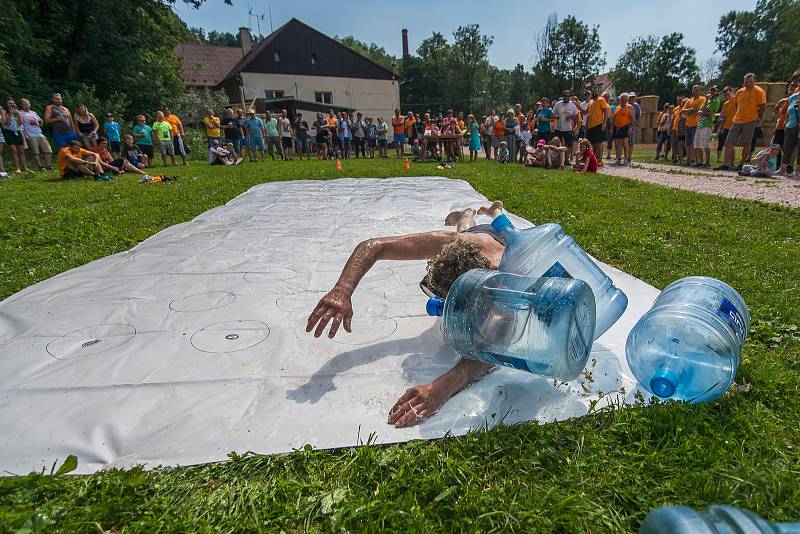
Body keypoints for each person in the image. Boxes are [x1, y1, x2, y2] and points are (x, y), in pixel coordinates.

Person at [306, 201, 508, 428]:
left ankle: (489, 212)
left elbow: (493, 349)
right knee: (465, 229)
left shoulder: (509, 277)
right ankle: (467, 214)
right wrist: (342, 290)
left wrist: (442, 388)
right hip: (472, 239)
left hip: (499, 244)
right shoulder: (451, 243)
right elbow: (373, 246)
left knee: (486, 231)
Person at [720, 73, 767, 171]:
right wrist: (737, 114)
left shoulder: (759, 92)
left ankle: (741, 164)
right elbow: (736, 105)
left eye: (750, 82)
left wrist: (759, 118)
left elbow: (762, 107)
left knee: (746, 143)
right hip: (737, 120)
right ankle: (726, 164)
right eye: (746, 82)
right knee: (729, 142)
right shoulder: (739, 92)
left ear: (754, 81)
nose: (748, 84)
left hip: (750, 120)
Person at [774, 84, 800, 178]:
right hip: (790, 126)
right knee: (787, 148)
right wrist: (786, 123)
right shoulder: (793, 97)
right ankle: (782, 169)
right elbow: (788, 111)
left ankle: (798, 171)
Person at [19, 98, 52, 171]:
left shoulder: (33, 112)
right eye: (25, 104)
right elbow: (20, 125)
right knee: (35, 152)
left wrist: (39, 122)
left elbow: (41, 121)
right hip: (30, 135)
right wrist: (25, 135)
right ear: (21, 105)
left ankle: (48, 166)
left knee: (48, 150)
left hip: (40, 133)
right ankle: (40, 167)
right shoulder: (20, 113)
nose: (27, 106)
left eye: (28, 104)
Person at [695, 86, 721, 168]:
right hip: (700, 123)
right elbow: (699, 112)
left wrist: (704, 111)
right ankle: (701, 163)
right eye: (711, 90)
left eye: (714, 91)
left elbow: (707, 111)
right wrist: (706, 101)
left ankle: (707, 163)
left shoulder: (716, 101)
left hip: (707, 124)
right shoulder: (707, 100)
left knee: (705, 144)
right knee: (697, 144)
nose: (712, 92)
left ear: (717, 92)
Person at [681, 85, 706, 167]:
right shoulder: (689, 100)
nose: (694, 91)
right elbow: (683, 111)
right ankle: (688, 161)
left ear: (700, 91)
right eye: (693, 89)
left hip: (697, 124)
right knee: (687, 144)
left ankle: (696, 161)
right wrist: (691, 110)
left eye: (696, 90)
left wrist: (690, 111)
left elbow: (699, 109)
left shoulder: (702, 99)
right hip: (688, 125)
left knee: (695, 144)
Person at [2, 98, 29, 173]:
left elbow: (20, 123)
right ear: (6, 104)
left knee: (21, 151)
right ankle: (17, 168)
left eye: (12, 103)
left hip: (17, 131)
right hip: (8, 131)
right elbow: (7, 124)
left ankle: (25, 168)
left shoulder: (17, 111)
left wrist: (18, 115)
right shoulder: (4, 111)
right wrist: (10, 114)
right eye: (9, 103)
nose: (11, 105)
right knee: (14, 151)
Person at [586, 88, 611, 168]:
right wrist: (577, 105)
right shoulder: (591, 101)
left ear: (598, 92)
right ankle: (594, 159)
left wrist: (604, 123)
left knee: (599, 143)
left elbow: (606, 111)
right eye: (593, 91)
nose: (594, 92)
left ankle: (600, 160)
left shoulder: (601, 100)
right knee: (592, 144)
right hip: (590, 126)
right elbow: (586, 112)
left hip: (598, 124)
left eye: (595, 91)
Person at [553, 90, 579, 162]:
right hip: (558, 128)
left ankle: (566, 160)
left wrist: (571, 116)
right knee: (557, 144)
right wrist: (556, 116)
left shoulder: (572, 105)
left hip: (568, 128)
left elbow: (576, 116)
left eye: (568, 96)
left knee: (569, 145)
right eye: (565, 96)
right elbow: (553, 113)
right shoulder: (558, 104)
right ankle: (557, 159)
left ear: (570, 97)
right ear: (563, 96)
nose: (567, 97)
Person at [612, 93, 634, 165]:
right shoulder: (617, 107)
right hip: (617, 127)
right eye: (622, 99)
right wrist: (612, 127)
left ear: (627, 100)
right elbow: (614, 118)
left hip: (625, 126)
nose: (623, 101)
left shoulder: (629, 107)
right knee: (617, 143)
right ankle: (618, 158)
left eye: (625, 99)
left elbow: (632, 118)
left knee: (625, 143)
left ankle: (626, 158)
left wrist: (630, 128)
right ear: (620, 100)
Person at [717, 87, 735, 164]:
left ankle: (731, 163)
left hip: (735, 125)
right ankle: (728, 164)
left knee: (730, 145)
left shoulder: (737, 100)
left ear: (731, 92)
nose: (726, 96)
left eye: (727, 94)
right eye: (725, 95)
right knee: (728, 145)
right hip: (727, 126)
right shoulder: (725, 104)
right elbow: (723, 117)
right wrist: (720, 128)